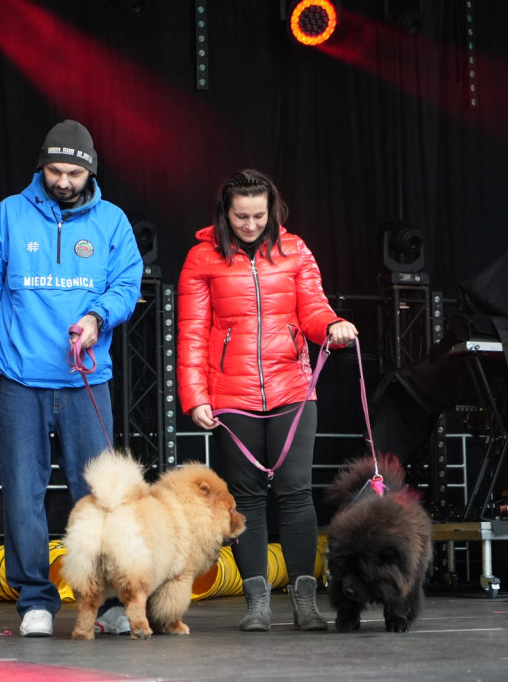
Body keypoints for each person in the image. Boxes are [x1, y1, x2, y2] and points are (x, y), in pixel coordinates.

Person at [0, 120, 144, 637]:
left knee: (103, 496)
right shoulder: (8, 215)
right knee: (23, 492)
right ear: (40, 166)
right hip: (21, 379)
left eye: (73, 172)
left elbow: (127, 285)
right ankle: (36, 600)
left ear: (90, 171)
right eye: (54, 170)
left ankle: (109, 600)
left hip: (87, 380)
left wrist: (96, 318)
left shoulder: (112, 221)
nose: (62, 181)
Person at [176, 169, 358, 633]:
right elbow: (192, 333)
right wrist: (195, 396)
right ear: (225, 212)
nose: (251, 224)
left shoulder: (295, 250)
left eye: (259, 215)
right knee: (248, 501)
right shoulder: (201, 258)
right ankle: (256, 604)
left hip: (292, 390)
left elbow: (313, 309)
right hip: (231, 395)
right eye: (242, 216)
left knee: (296, 494)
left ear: (272, 210)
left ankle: (305, 603)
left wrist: (333, 325)